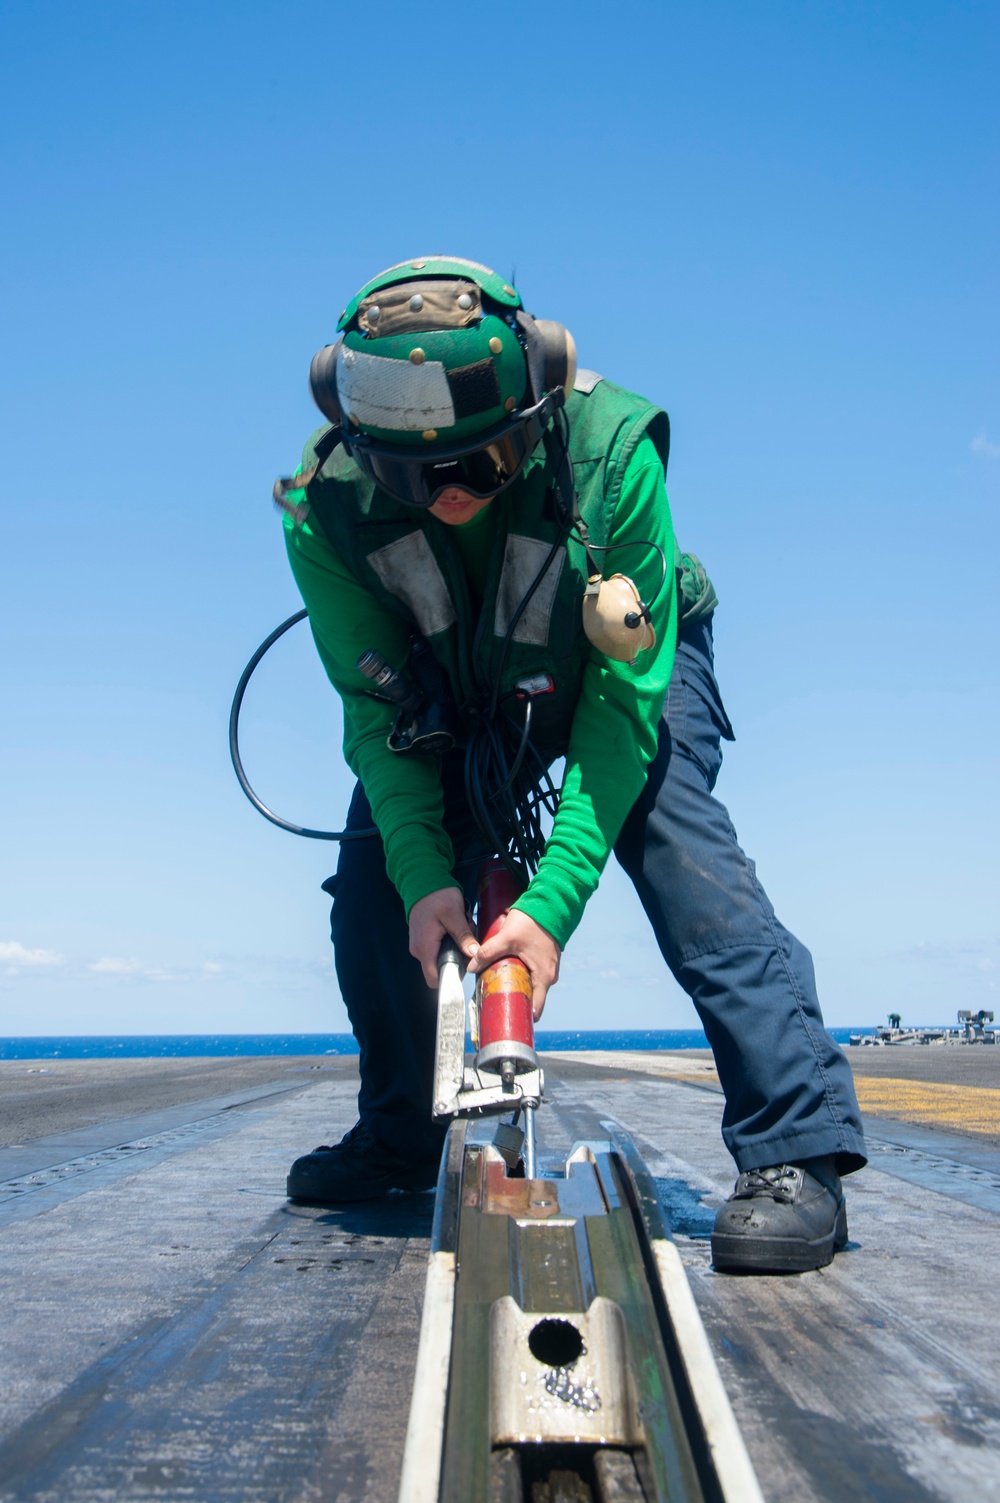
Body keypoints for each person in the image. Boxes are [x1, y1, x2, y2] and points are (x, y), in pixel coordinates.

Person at [276, 256, 866, 1274]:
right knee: (376, 882)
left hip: (619, 671)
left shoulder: (611, 448)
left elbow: (622, 715)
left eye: (479, 465)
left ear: (535, 404)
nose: (450, 499)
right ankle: (405, 1131)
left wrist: (546, 910)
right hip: (452, 692)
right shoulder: (321, 503)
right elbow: (376, 716)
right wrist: (427, 884)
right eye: (416, 477)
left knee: (676, 837)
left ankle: (793, 1151)